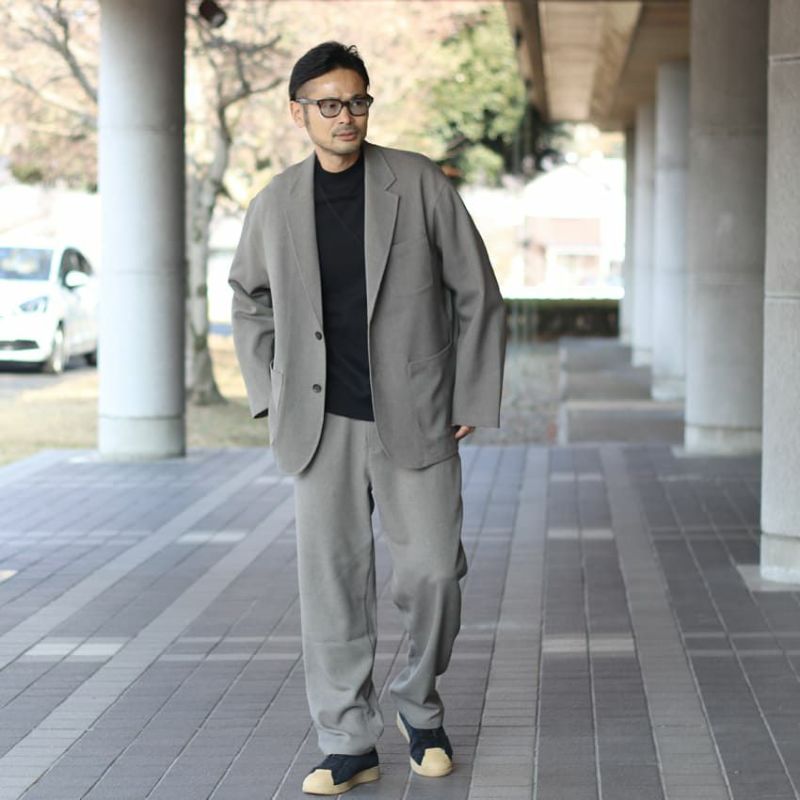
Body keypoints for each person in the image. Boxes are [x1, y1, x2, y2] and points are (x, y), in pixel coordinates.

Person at [229, 41, 506, 796]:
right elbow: (249, 299)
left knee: (434, 573)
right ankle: (348, 740)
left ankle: (420, 707)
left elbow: (478, 291)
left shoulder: (416, 182)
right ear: (299, 114)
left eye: (356, 101)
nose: (345, 116)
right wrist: (270, 391)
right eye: (328, 104)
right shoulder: (275, 203)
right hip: (320, 425)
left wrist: (469, 396)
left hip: (415, 414)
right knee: (333, 586)